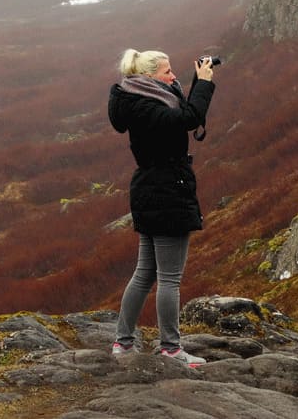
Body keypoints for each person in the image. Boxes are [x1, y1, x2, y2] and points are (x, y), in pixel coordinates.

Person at [107, 48, 216, 367]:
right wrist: (206, 85)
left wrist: (198, 80)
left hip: (149, 191)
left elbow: (180, 113)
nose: (173, 77)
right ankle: (170, 348)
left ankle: (123, 343)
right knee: (169, 278)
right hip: (167, 192)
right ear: (150, 77)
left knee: (145, 273)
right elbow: (187, 119)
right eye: (167, 72)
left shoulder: (137, 99)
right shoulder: (147, 106)